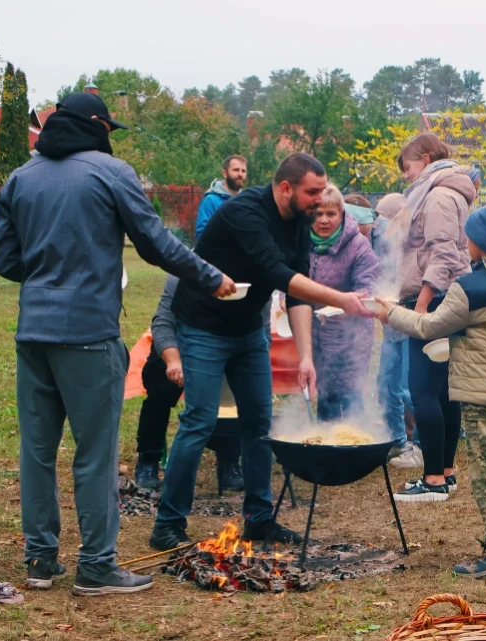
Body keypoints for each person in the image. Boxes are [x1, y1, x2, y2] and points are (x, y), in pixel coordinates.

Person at [0, 92, 236, 595]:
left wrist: (47, 273)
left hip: (32, 334)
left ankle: (40, 560)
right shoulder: (109, 171)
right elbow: (155, 244)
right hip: (87, 334)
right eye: (109, 129)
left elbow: (6, 262)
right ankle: (97, 566)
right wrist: (209, 277)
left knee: (37, 452)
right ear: (97, 126)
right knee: (96, 454)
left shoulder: (20, 178)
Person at [149, 153, 372, 551]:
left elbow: (296, 289)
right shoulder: (245, 212)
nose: (319, 201)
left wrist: (306, 357)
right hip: (203, 325)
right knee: (199, 420)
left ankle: (258, 518)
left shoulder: (299, 223)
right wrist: (341, 297)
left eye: (323, 191)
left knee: (259, 422)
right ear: (286, 188)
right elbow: (277, 273)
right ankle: (167, 523)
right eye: (312, 192)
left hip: (248, 329)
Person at [378, 202, 486, 578]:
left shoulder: (470, 288)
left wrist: (389, 312)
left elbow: (430, 327)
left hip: (482, 393)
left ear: (479, 241)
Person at [388, 133, 476, 502]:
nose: (406, 177)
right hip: (445, 298)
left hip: (435, 299)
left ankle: (434, 479)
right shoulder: (445, 190)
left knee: (424, 389)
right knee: (443, 391)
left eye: (407, 168)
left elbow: (443, 255)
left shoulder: (438, 195)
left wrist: (420, 306)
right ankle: (447, 472)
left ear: (424, 159)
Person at [133, 276, 245, 493]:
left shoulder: (246, 276)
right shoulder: (183, 271)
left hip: (222, 342)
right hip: (180, 339)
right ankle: (148, 461)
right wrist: (173, 359)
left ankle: (229, 462)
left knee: (231, 397)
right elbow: (163, 320)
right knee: (159, 394)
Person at [309, 185, 379, 420]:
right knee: (325, 394)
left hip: (350, 335)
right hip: (315, 333)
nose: (324, 220)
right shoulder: (303, 244)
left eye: (331, 214)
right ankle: (325, 450)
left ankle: (356, 449)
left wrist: (345, 308)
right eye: (318, 214)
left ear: (342, 214)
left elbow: (366, 288)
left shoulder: (358, 246)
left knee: (349, 396)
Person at [372, 194, 421, 467]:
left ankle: (413, 441)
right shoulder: (385, 244)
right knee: (387, 382)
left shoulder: (410, 246)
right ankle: (395, 439)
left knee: (404, 386)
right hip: (391, 324)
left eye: (383, 219)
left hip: (405, 322)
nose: (379, 226)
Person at [196, 155, 247, 238]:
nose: (240, 174)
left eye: (243, 171)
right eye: (236, 170)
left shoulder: (247, 201)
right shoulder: (210, 201)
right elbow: (202, 235)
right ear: (225, 173)